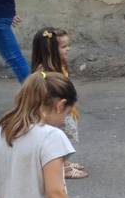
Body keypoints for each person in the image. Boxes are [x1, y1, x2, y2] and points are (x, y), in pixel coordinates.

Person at [30, 28, 86, 179]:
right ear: (50, 51)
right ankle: (62, 168)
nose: (68, 49)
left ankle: (64, 163)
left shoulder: (58, 64)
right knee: (59, 138)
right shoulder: (43, 72)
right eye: (63, 47)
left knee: (65, 138)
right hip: (54, 112)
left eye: (68, 45)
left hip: (63, 110)